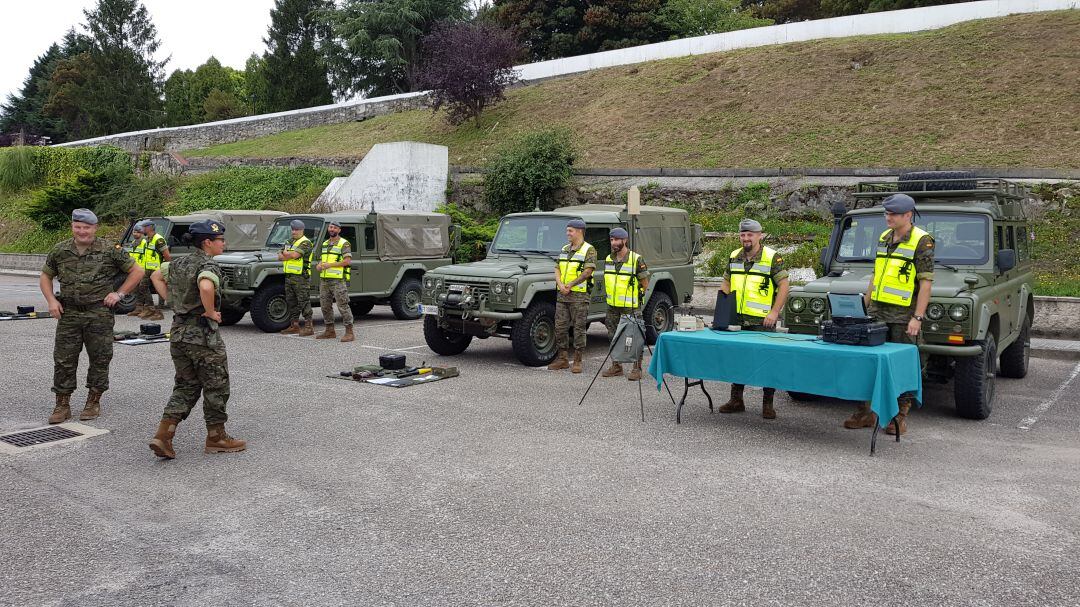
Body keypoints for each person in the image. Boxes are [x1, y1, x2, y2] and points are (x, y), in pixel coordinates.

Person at [148, 219, 245, 459]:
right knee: (216, 385)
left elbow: (154, 277)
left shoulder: (178, 263)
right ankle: (216, 437)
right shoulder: (208, 265)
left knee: (186, 385)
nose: (224, 243)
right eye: (221, 240)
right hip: (202, 336)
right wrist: (210, 311)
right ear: (208, 242)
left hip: (179, 334)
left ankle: (163, 435)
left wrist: (172, 301)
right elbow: (205, 286)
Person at [40, 208, 145, 424]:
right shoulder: (60, 250)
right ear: (72, 227)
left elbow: (138, 271)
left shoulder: (110, 249)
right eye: (78, 227)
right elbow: (45, 275)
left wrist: (119, 294)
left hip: (99, 313)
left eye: (86, 227)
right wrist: (51, 301)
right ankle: (62, 404)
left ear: (95, 228)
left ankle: (93, 401)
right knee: (64, 360)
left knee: (100, 358)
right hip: (68, 314)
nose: (82, 231)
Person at [844, 193, 933, 435]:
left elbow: (925, 283)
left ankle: (898, 417)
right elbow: (877, 273)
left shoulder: (921, 241)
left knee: (902, 366)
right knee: (868, 363)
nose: (888, 217)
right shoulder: (884, 237)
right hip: (878, 311)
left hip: (904, 316)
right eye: (886, 213)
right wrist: (866, 300)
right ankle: (866, 413)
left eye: (893, 214)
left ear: (908, 215)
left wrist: (917, 317)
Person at [717, 218, 790, 419]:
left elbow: (784, 286)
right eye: (743, 235)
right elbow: (726, 283)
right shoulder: (734, 256)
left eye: (750, 234)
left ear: (760, 235)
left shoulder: (772, 257)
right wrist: (722, 311)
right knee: (737, 359)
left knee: (767, 361)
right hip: (737, 321)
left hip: (762, 321)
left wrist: (774, 312)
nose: (746, 238)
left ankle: (768, 404)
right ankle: (736, 400)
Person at [600, 227, 650, 381]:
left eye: (617, 240)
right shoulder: (609, 259)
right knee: (613, 335)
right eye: (611, 240)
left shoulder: (636, 259)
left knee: (634, 335)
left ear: (625, 240)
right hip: (613, 305)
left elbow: (645, 283)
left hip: (631, 305)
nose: (614, 243)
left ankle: (637, 368)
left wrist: (635, 297)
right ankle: (617, 366)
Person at [548, 218, 596, 374]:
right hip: (563, 295)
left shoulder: (589, 249)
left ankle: (577, 360)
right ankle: (562, 359)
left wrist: (570, 285)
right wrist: (560, 284)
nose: (567, 233)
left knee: (579, 328)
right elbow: (557, 268)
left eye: (570, 231)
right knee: (560, 327)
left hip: (579, 296)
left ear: (579, 231)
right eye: (567, 230)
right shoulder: (564, 249)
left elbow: (588, 272)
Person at [315, 220, 355, 342]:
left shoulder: (344, 243)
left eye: (334, 228)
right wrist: (319, 265)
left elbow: (347, 262)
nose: (332, 229)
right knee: (325, 306)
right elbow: (323, 260)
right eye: (330, 227)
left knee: (342, 305)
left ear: (339, 230)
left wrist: (330, 265)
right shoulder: (325, 243)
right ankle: (329, 330)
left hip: (337, 280)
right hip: (325, 280)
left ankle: (349, 332)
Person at [277, 219, 314, 336]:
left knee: (304, 301)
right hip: (289, 277)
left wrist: (286, 255)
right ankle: (294, 325)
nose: (294, 232)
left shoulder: (306, 243)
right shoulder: (289, 241)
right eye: (292, 229)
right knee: (291, 301)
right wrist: (286, 255)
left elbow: (293, 255)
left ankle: (309, 327)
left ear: (302, 230)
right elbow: (279, 256)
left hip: (301, 277)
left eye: (296, 230)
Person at [137, 220, 170, 321]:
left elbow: (167, 255)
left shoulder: (158, 239)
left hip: (157, 268)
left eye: (144, 227)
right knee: (142, 286)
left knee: (159, 287)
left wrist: (166, 267)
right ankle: (150, 306)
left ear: (150, 227)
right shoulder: (147, 239)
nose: (142, 229)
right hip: (147, 268)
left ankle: (160, 307)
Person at [126, 225, 153, 317]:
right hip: (135, 270)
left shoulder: (146, 243)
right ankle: (138, 308)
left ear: (142, 233)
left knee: (144, 289)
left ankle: (150, 308)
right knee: (135, 289)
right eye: (134, 232)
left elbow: (149, 256)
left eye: (137, 232)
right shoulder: (134, 242)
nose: (135, 234)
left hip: (143, 269)